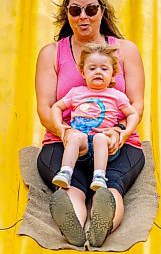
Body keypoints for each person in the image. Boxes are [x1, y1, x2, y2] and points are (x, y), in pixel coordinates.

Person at [36, 0, 145, 247]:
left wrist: (120, 133)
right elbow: (45, 107)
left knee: (110, 184)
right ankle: (72, 221)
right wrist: (64, 131)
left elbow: (136, 104)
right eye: (75, 10)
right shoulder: (52, 53)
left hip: (115, 143)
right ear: (66, 15)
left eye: (91, 9)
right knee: (72, 182)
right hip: (64, 142)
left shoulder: (126, 50)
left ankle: (101, 224)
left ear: (102, 11)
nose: (83, 17)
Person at [51, 43, 139, 195]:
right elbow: (56, 107)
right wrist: (59, 126)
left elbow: (132, 114)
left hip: (105, 145)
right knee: (75, 136)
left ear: (113, 74)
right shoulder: (76, 92)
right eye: (92, 68)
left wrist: (124, 134)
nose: (98, 72)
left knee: (100, 137)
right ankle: (65, 172)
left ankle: (99, 176)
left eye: (104, 69)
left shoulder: (116, 95)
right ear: (83, 72)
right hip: (82, 146)